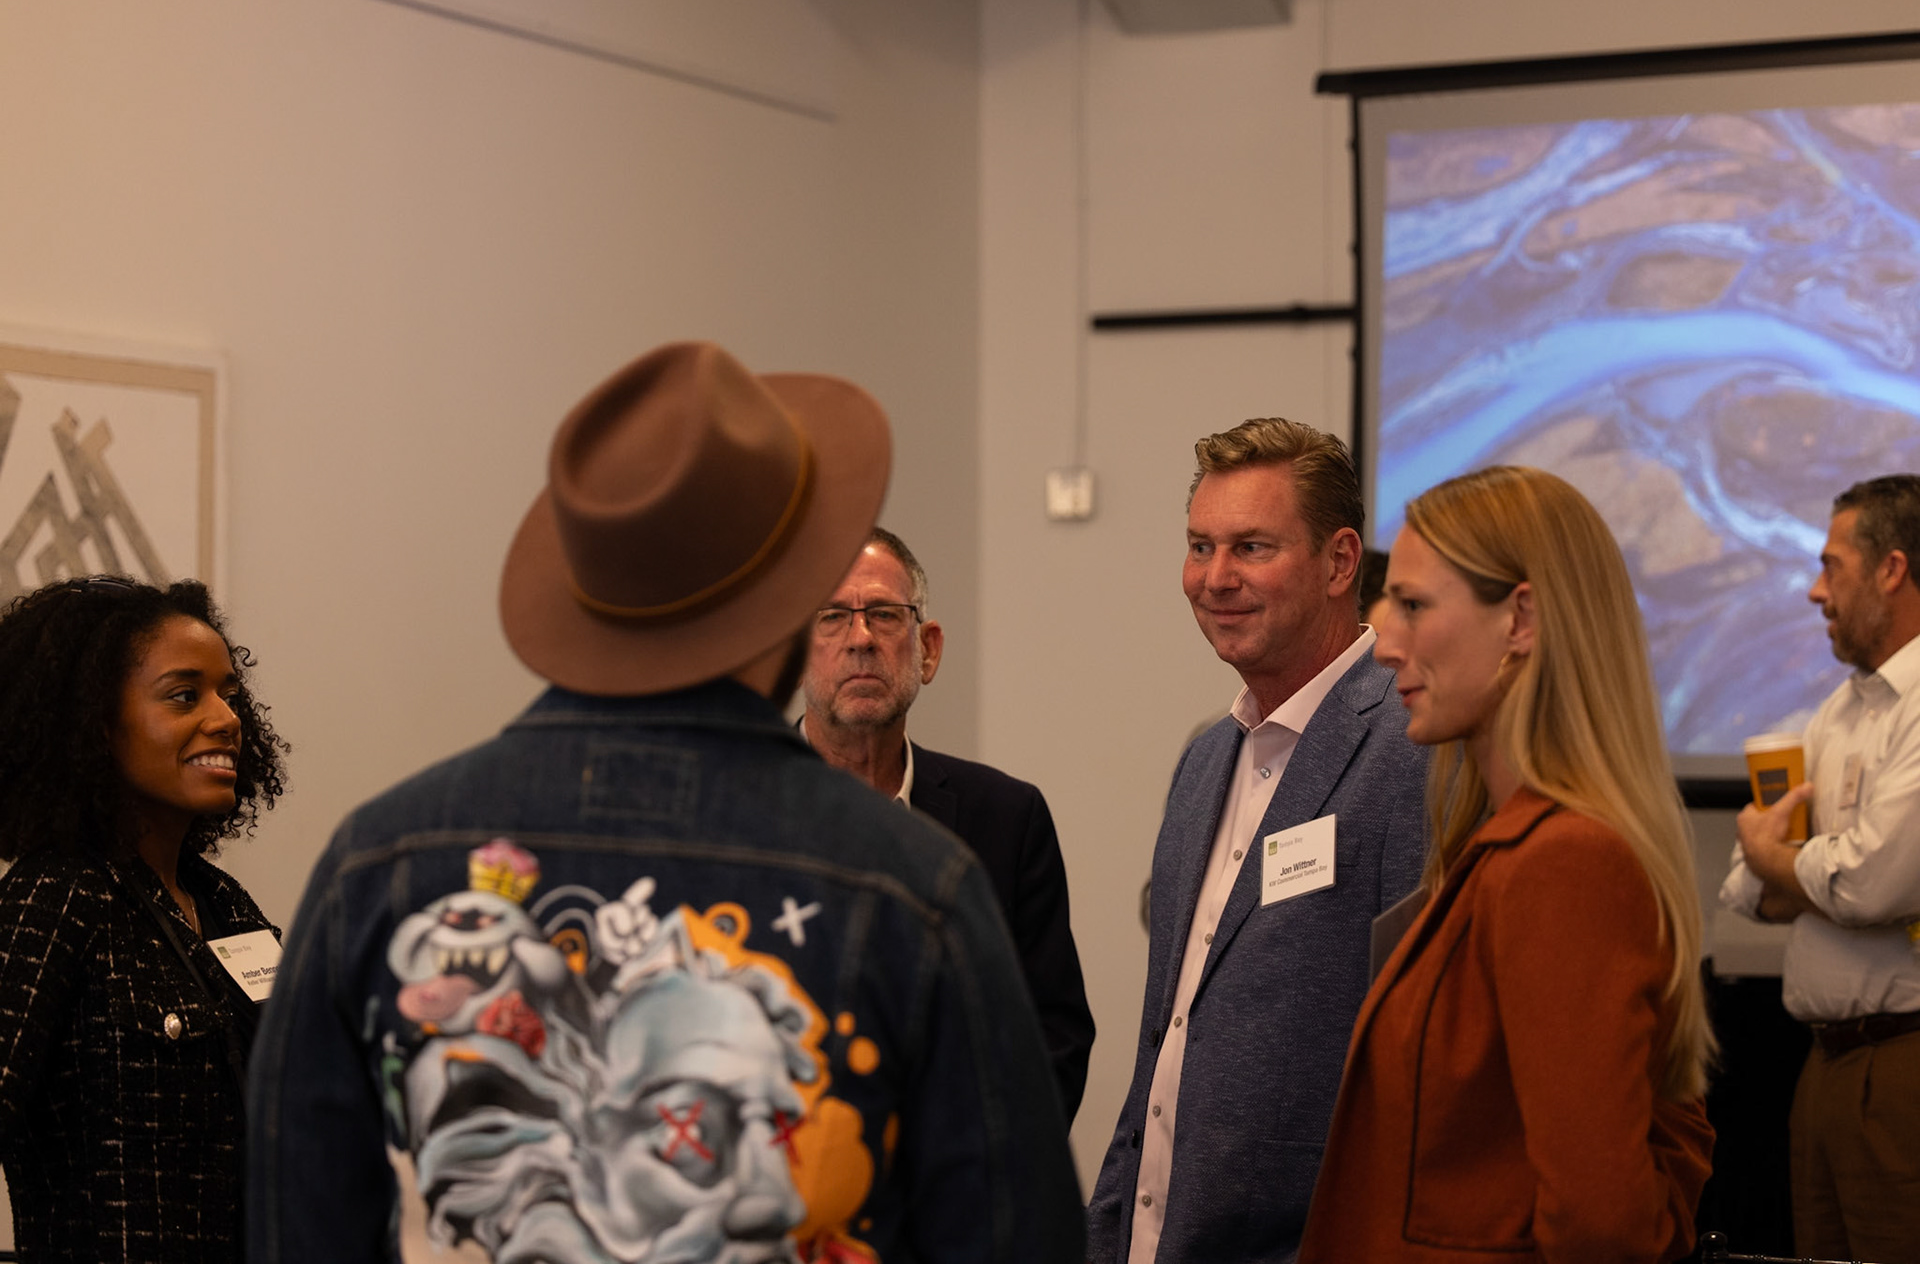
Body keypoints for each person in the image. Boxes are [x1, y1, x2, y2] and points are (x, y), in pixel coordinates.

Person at [246, 341, 1085, 1264]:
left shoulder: (375, 863)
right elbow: (1016, 1235)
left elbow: (297, 1227)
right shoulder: (914, 885)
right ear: (790, 603)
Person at [1300, 465, 1715, 1263]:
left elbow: (1601, 1225)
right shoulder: (1510, 845)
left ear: (1521, 619)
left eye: (1414, 605)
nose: (1385, 643)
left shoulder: (1563, 861)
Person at [1087, 417, 1428, 1263]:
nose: (1215, 578)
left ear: (1340, 562)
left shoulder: (1413, 750)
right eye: (1200, 547)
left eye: (1251, 547)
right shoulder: (1206, 759)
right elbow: (1166, 1043)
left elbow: (1418, 1067)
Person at [0, 576, 288, 1264]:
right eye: (185, 695)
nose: (226, 718)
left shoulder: (224, 902)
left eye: (228, 693)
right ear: (95, 725)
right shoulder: (55, 895)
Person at [799, 526, 1096, 1120]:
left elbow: (1052, 1045)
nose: (860, 639)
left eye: (884, 615)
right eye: (832, 617)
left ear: (928, 649)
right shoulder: (734, 819)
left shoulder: (1007, 820)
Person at [1721, 473, 1920, 1262]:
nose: (1814, 590)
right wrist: (1796, 872)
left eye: (1831, 565)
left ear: (1892, 570)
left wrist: (1780, 862)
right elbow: (1744, 885)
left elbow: (1873, 882)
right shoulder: (1842, 708)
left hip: (1903, 1067)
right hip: (1824, 1065)